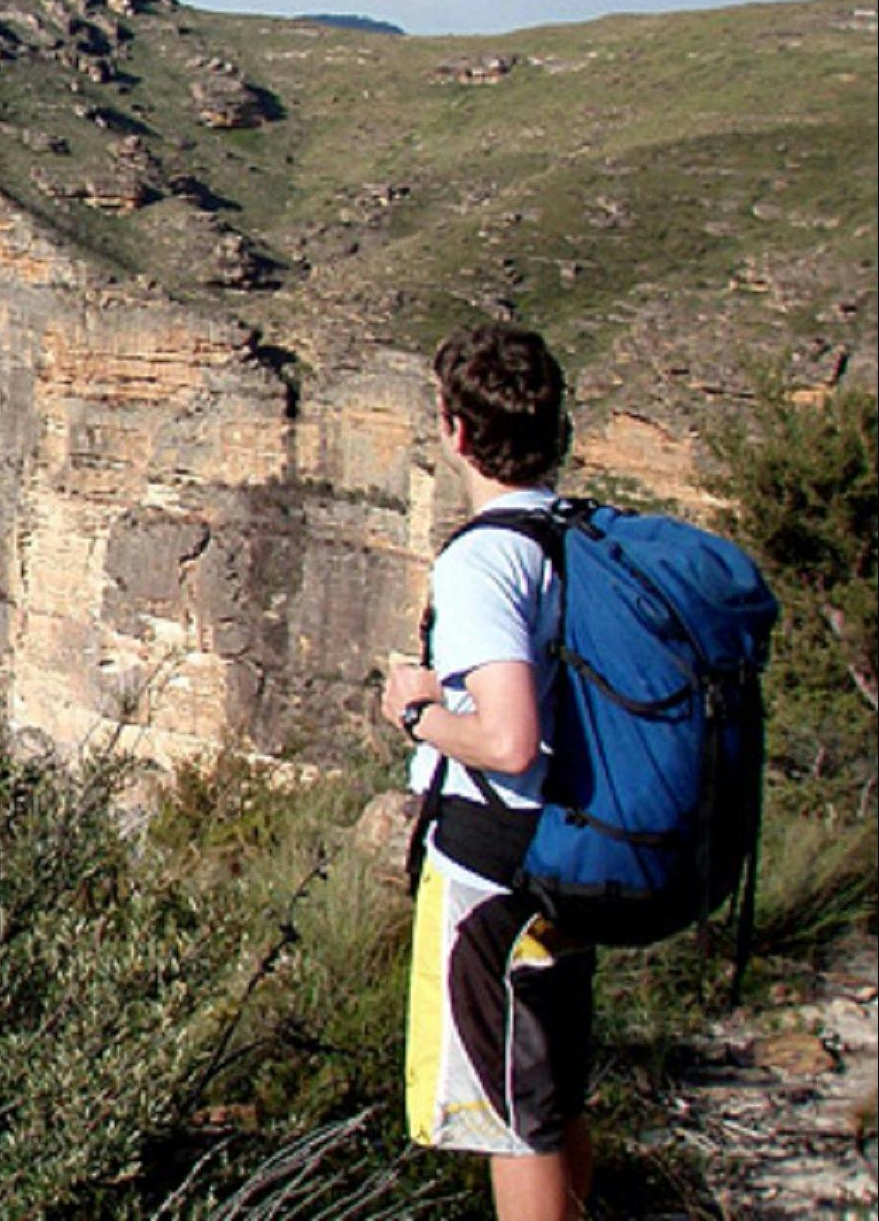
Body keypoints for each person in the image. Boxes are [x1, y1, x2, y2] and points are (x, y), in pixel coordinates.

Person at [380, 323, 593, 1221]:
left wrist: (419, 711)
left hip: (495, 866)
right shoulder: (578, 533)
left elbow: (508, 741)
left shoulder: (483, 558)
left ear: (457, 433)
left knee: (511, 1115)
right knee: (553, 1088)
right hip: (572, 848)